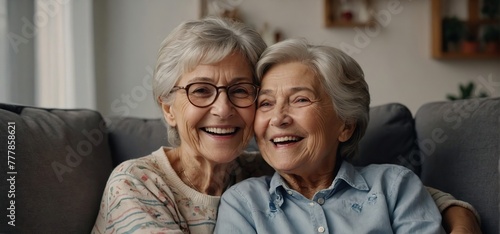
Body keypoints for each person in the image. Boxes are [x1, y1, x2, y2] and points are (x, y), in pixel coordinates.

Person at [92, 17, 480, 234]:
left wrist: (459, 215)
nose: (223, 108)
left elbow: (393, 190)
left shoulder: (259, 168)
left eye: (242, 92)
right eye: (201, 90)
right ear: (169, 109)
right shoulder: (137, 184)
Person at [214, 38, 478, 233]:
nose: (278, 118)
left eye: (300, 99)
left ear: (345, 126)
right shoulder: (243, 204)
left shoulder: (394, 187)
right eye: (266, 103)